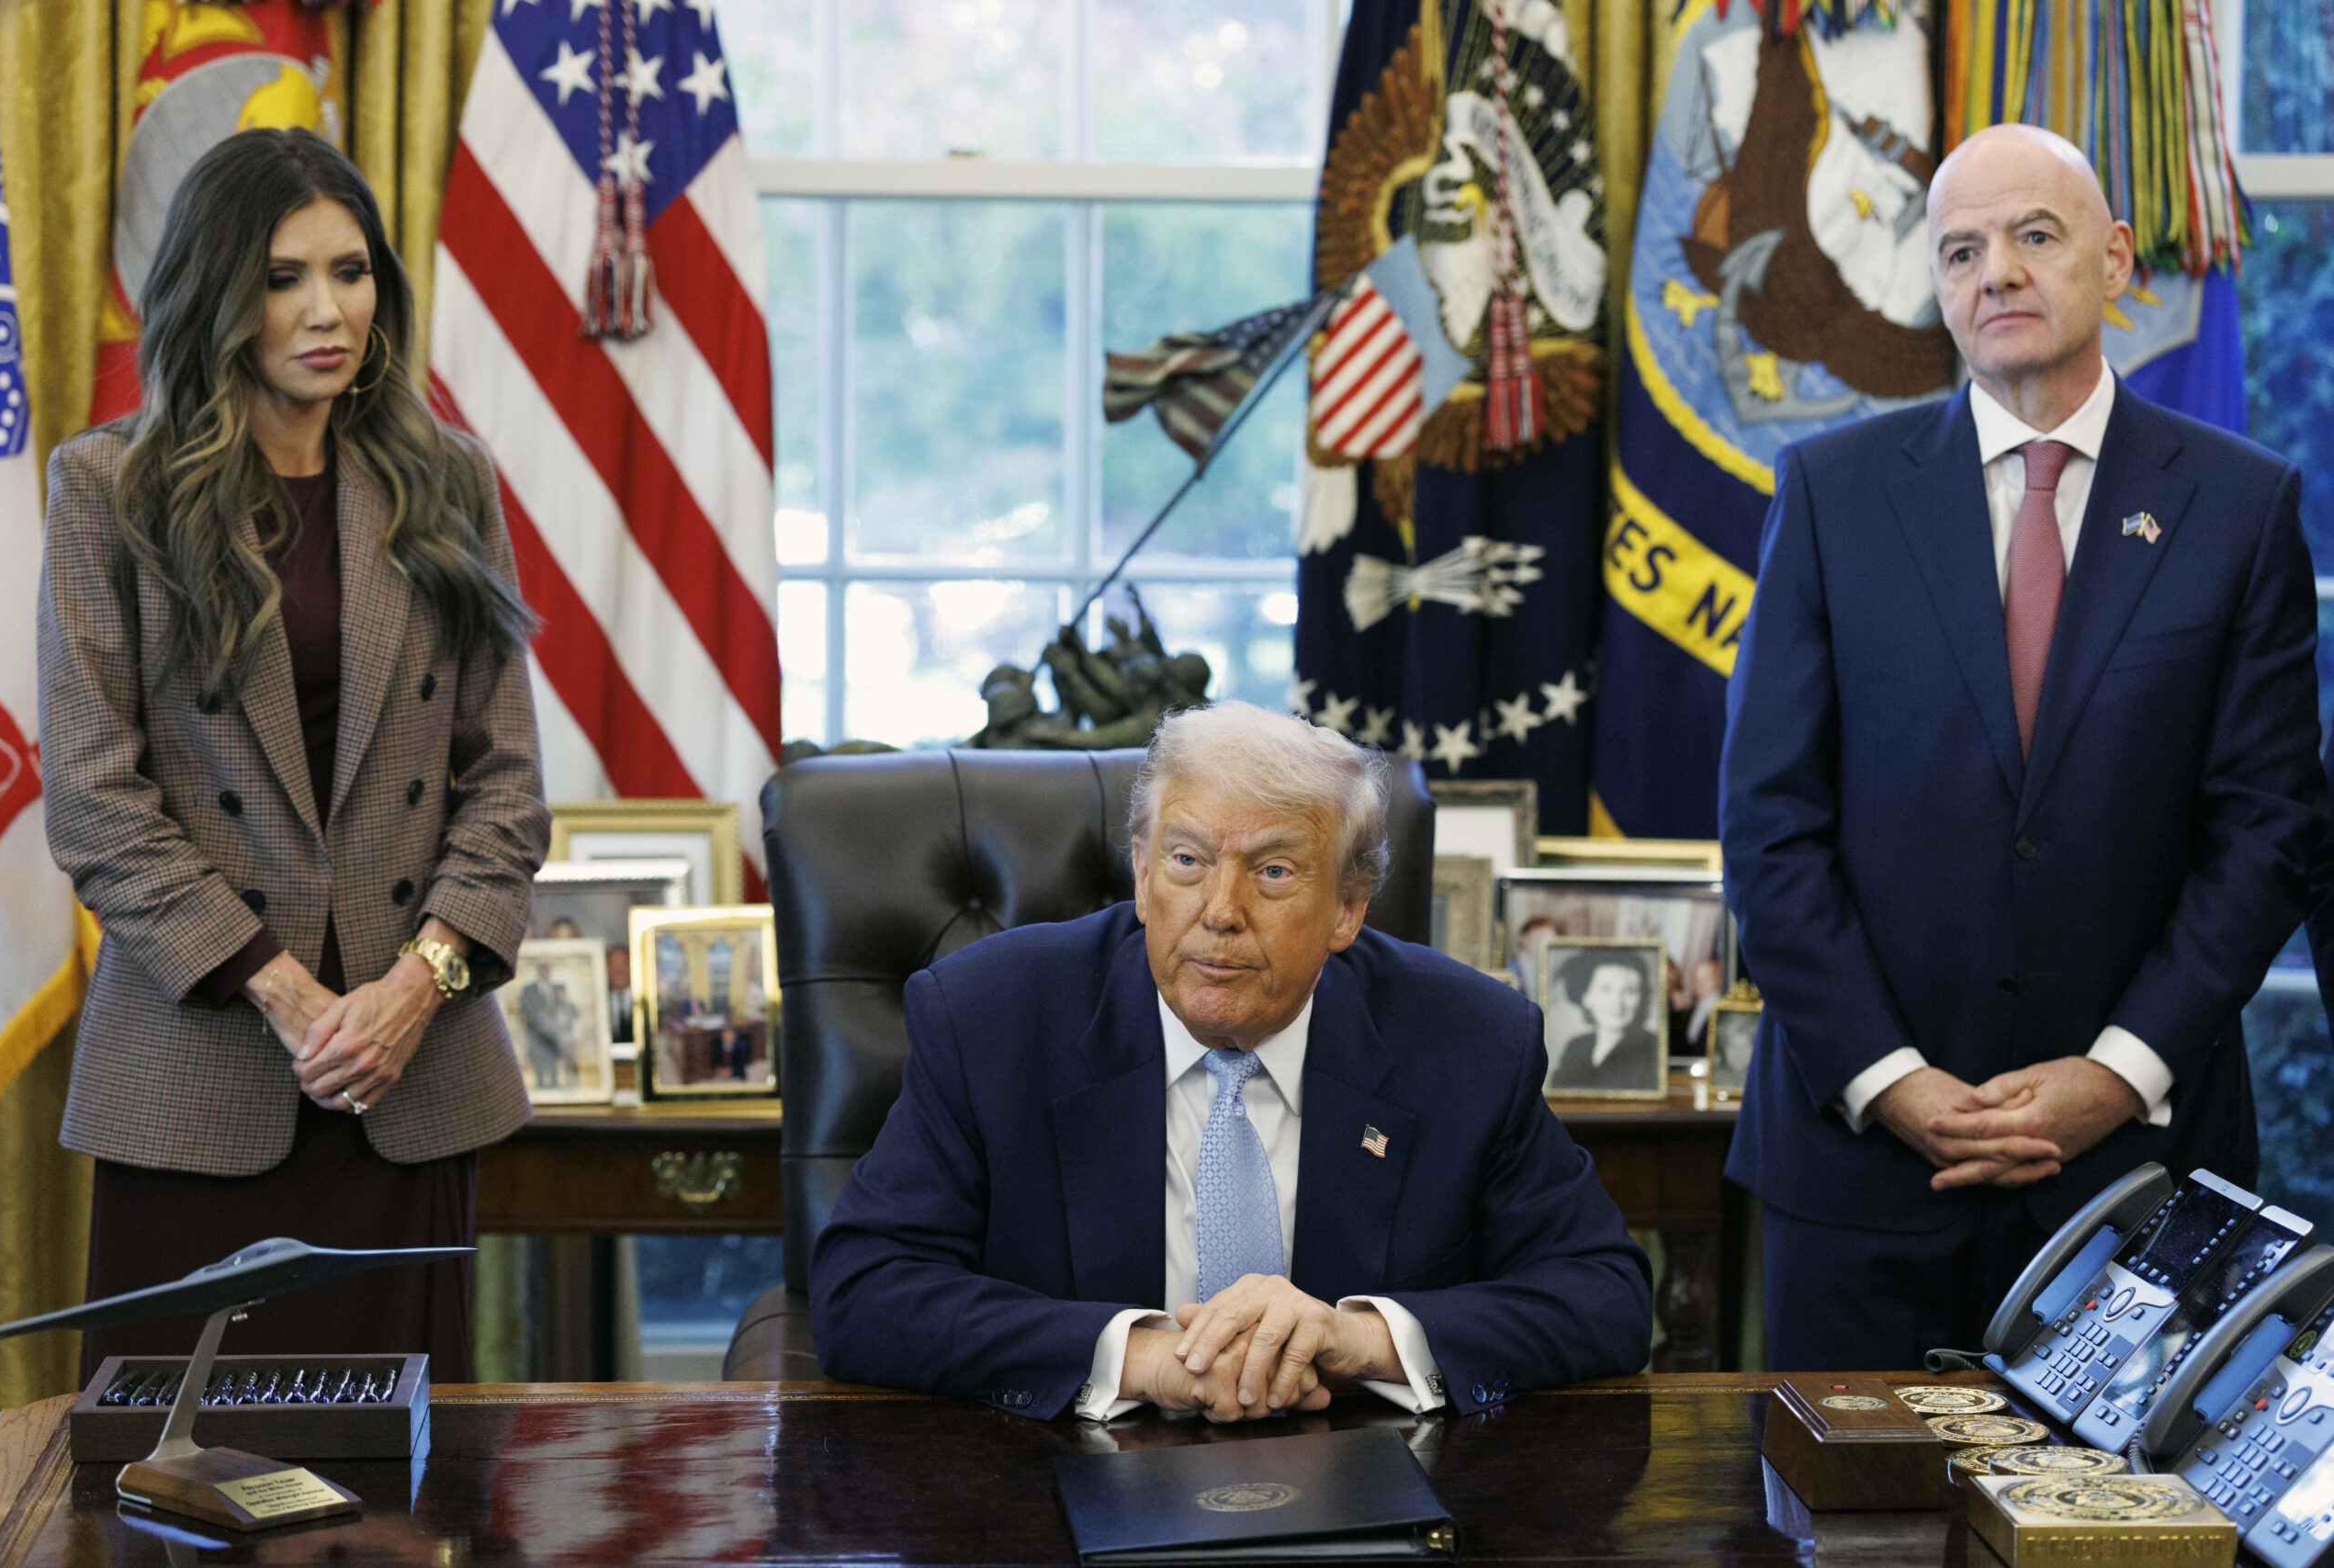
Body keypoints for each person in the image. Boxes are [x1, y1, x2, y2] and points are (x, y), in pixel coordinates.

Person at [1719, 124, 2329, 1371]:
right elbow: (1769, 823)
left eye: (2033, 237)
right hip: (1865, 1171)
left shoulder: (2242, 502)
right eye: (1959, 250)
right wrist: (1894, 1080)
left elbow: (2265, 829)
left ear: (2114, 262)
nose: (1994, 272)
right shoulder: (1830, 494)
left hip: (2139, 1170)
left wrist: (2115, 1073)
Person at [38, 128, 548, 1383]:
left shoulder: (446, 482)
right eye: (282, 277)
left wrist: (415, 985)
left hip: (406, 1080)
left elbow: (506, 785)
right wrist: (292, 993)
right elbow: (97, 801)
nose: (329, 310)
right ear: (215, 291)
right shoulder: (108, 489)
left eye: (352, 269)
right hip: (199, 1081)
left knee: (405, 1494)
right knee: (174, 1493)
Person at [812, 702, 1651, 1422]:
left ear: (1348, 909)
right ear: (1141, 875)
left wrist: (1356, 1337)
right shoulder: (990, 1018)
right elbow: (864, 1289)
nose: (1220, 911)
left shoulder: (1470, 1038)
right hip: (1056, 1484)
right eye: (1186, 861)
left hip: (1369, 1478)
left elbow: (1603, 1294)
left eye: (1274, 871)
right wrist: (1141, 1358)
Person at [1548, 950, 1661, 1091]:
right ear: (1586, 997)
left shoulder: (1652, 1048)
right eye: (1606, 990)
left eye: (1629, 991)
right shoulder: (1576, 1046)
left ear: (1642, 999)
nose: (1617, 1002)